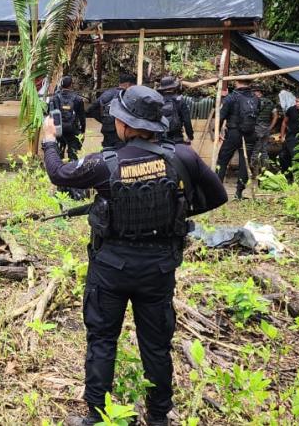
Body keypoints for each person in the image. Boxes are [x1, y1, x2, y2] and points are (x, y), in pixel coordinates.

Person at [41, 86, 228, 426]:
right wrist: (177, 212)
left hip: (111, 267)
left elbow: (59, 173)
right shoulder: (182, 157)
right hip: (159, 268)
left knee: (102, 340)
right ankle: (159, 417)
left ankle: (97, 416)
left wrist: (49, 141)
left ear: (124, 125)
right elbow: (217, 195)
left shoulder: (104, 163)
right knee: (156, 345)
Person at [215, 78, 260, 199]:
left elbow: (221, 116)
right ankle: (239, 193)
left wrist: (217, 131)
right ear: (249, 83)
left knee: (222, 161)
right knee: (244, 163)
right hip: (249, 134)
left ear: (236, 82)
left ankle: (217, 192)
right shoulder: (255, 98)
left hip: (233, 133)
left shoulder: (231, 98)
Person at [86, 72, 136, 148]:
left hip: (107, 129)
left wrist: (104, 119)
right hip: (122, 131)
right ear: (128, 85)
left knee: (107, 152)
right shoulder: (128, 95)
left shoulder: (107, 93)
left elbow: (91, 109)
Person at [48, 75, 86, 161]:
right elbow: (82, 117)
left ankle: (59, 167)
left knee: (58, 152)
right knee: (73, 153)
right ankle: (71, 169)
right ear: (71, 85)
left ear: (61, 85)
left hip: (58, 129)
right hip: (72, 129)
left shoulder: (54, 98)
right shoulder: (78, 99)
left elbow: (49, 113)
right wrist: (83, 131)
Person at [156, 75, 193, 144]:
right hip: (176, 137)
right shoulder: (179, 100)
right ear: (174, 87)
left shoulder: (158, 100)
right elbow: (187, 120)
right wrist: (190, 136)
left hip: (161, 137)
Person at [251, 84, 279, 174]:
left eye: (254, 91)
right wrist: (271, 127)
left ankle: (254, 172)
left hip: (256, 128)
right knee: (264, 151)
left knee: (255, 151)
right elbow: (276, 116)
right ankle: (265, 171)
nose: (253, 93)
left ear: (258, 92)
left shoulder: (253, 102)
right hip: (266, 128)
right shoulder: (270, 102)